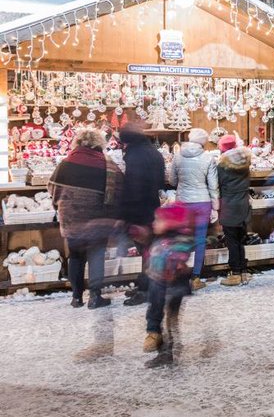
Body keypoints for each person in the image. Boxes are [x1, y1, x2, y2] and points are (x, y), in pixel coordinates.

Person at [48, 127, 122, 309]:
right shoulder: (108, 164)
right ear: (99, 143)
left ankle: (76, 297)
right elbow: (120, 189)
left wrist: (61, 205)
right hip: (97, 219)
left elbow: (53, 188)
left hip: (71, 219)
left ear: (78, 143)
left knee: (75, 256)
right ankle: (95, 297)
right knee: (96, 255)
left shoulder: (65, 163)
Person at [118, 122, 167, 305]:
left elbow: (134, 187)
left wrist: (128, 214)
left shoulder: (135, 156)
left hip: (139, 211)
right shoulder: (154, 152)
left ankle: (147, 290)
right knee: (149, 251)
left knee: (147, 253)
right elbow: (161, 182)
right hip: (152, 207)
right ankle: (144, 286)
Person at [143, 202, 195, 367]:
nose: (154, 224)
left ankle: (168, 352)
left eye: (158, 221)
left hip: (173, 287)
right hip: (158, 286)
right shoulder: (162, 239)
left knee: (169, 322)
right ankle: (164, 350)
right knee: (159, 318)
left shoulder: (177, 241)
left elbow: (182, 251)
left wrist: (176, 263)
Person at [170, 127, 218, 290]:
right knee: (199, 240)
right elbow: (213, 186)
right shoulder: (208, 158)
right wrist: (215, 207)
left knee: (181, 239)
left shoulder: (177, 156)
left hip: (183, 202)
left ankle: (178, 275)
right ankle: (196, 278)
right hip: (202, 202)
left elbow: (172, 180)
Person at [215, 135, 252, 286]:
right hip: (243, 204)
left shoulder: (222, 166)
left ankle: (235, 273)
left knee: (232, 240)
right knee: (241, 239)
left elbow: (218, 183)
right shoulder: (245, 162)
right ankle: (243, 272)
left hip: (229, 205)